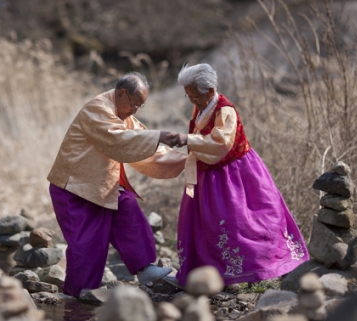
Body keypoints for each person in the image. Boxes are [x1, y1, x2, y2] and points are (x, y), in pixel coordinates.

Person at [167, 63, 309, 288]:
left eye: (194, 96)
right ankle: (215, 273)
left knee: (242, 221)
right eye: (188, 96)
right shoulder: (201, 106)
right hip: (208, 174)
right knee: (208, 225)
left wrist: (189, 139)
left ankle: (260, 268)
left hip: (235, 174)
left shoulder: (226, 110)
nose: (191, 100)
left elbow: (222, 141)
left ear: (211, 91)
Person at [47, 72, 187, 297]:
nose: (135, 111)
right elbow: (120, 141)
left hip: (101, 186)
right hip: (74, 189)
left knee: (128, 206)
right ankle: (77, 298)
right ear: (121, 94)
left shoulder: (123, 113)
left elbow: (143, 143)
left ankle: (144, 268)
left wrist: (185, 160)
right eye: (135, 104)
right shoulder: (98, 109)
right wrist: (159, 135)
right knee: (87, 247)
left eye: (140, 107)